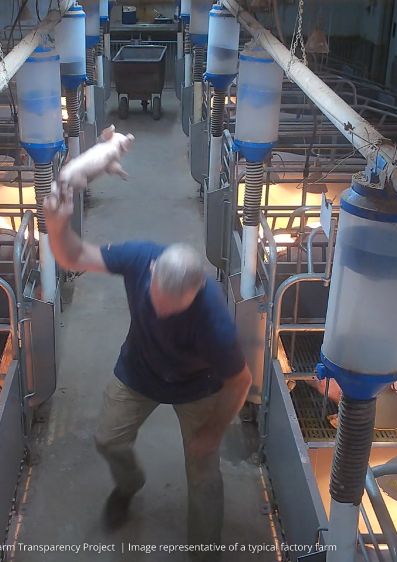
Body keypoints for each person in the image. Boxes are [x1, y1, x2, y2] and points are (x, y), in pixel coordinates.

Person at [43, 173, 252, 560]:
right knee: (108, 438)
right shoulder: (140, 258)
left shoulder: (215, 322)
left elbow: (240, 382)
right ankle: (128, 484)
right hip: (139, 370)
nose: (161, 312)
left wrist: (213, 429)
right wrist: (56, 225)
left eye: (173, 309)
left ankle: (204, 553)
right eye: (156, 301)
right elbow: (73, 256)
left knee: (204, 472)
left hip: (196, 386)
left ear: (196, 294)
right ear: (152, 271)